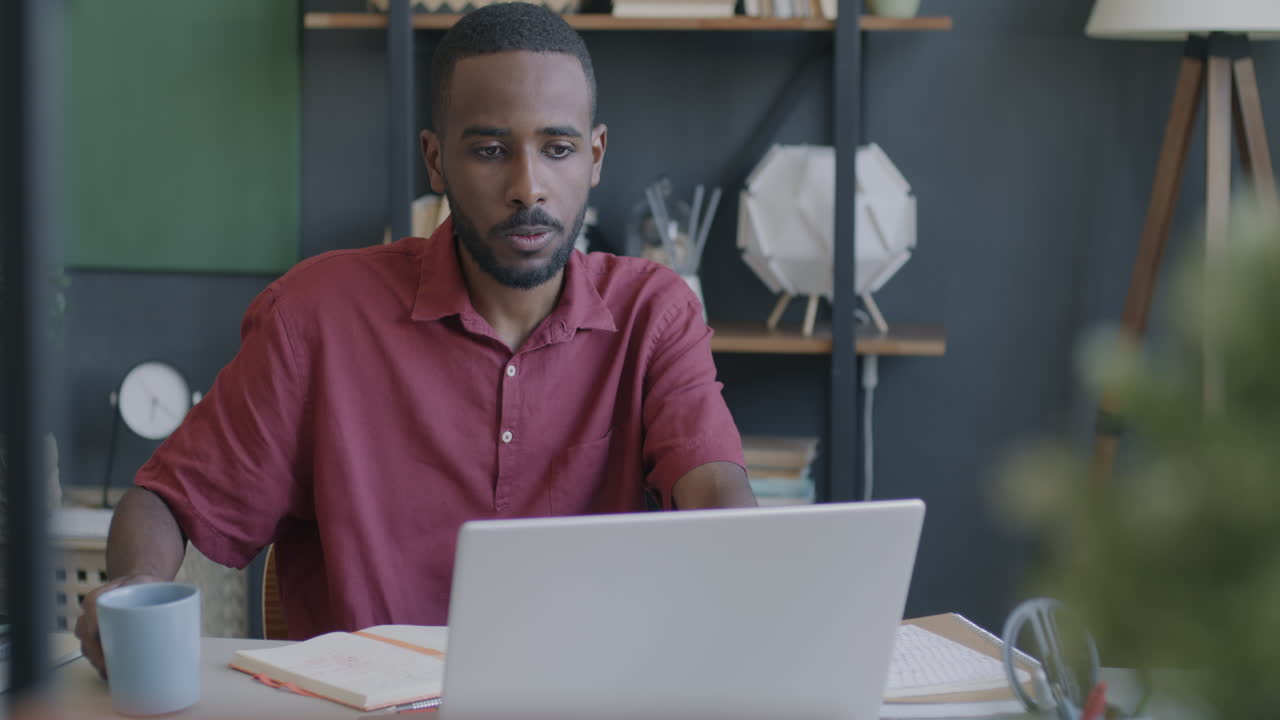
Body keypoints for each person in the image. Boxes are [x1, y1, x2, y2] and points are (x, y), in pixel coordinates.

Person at [75, 1, 754, 678]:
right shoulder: (316, 316)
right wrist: (132, 586)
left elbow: (718, 495)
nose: (528, 187)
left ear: (595, 155)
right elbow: (165, 499)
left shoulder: (653, 313)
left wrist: (755, 573)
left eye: (558, 148)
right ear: (436, 160)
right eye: (490, 150)